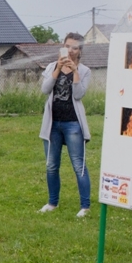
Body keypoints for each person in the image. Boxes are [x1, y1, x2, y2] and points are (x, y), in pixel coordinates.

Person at [39, 33, 92, 218]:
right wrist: (58, 69)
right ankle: (52, 203)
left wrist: (75, 72)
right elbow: (45, 89)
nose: (70, 51)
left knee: (79, 165)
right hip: (53, 123)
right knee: (51, 165)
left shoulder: (85, 71)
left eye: (75, 48)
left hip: (73, 124)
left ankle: (85, 206)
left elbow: (78, 95)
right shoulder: (52, 66)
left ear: (80, 51)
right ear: (62, 47)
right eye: (68, 46)